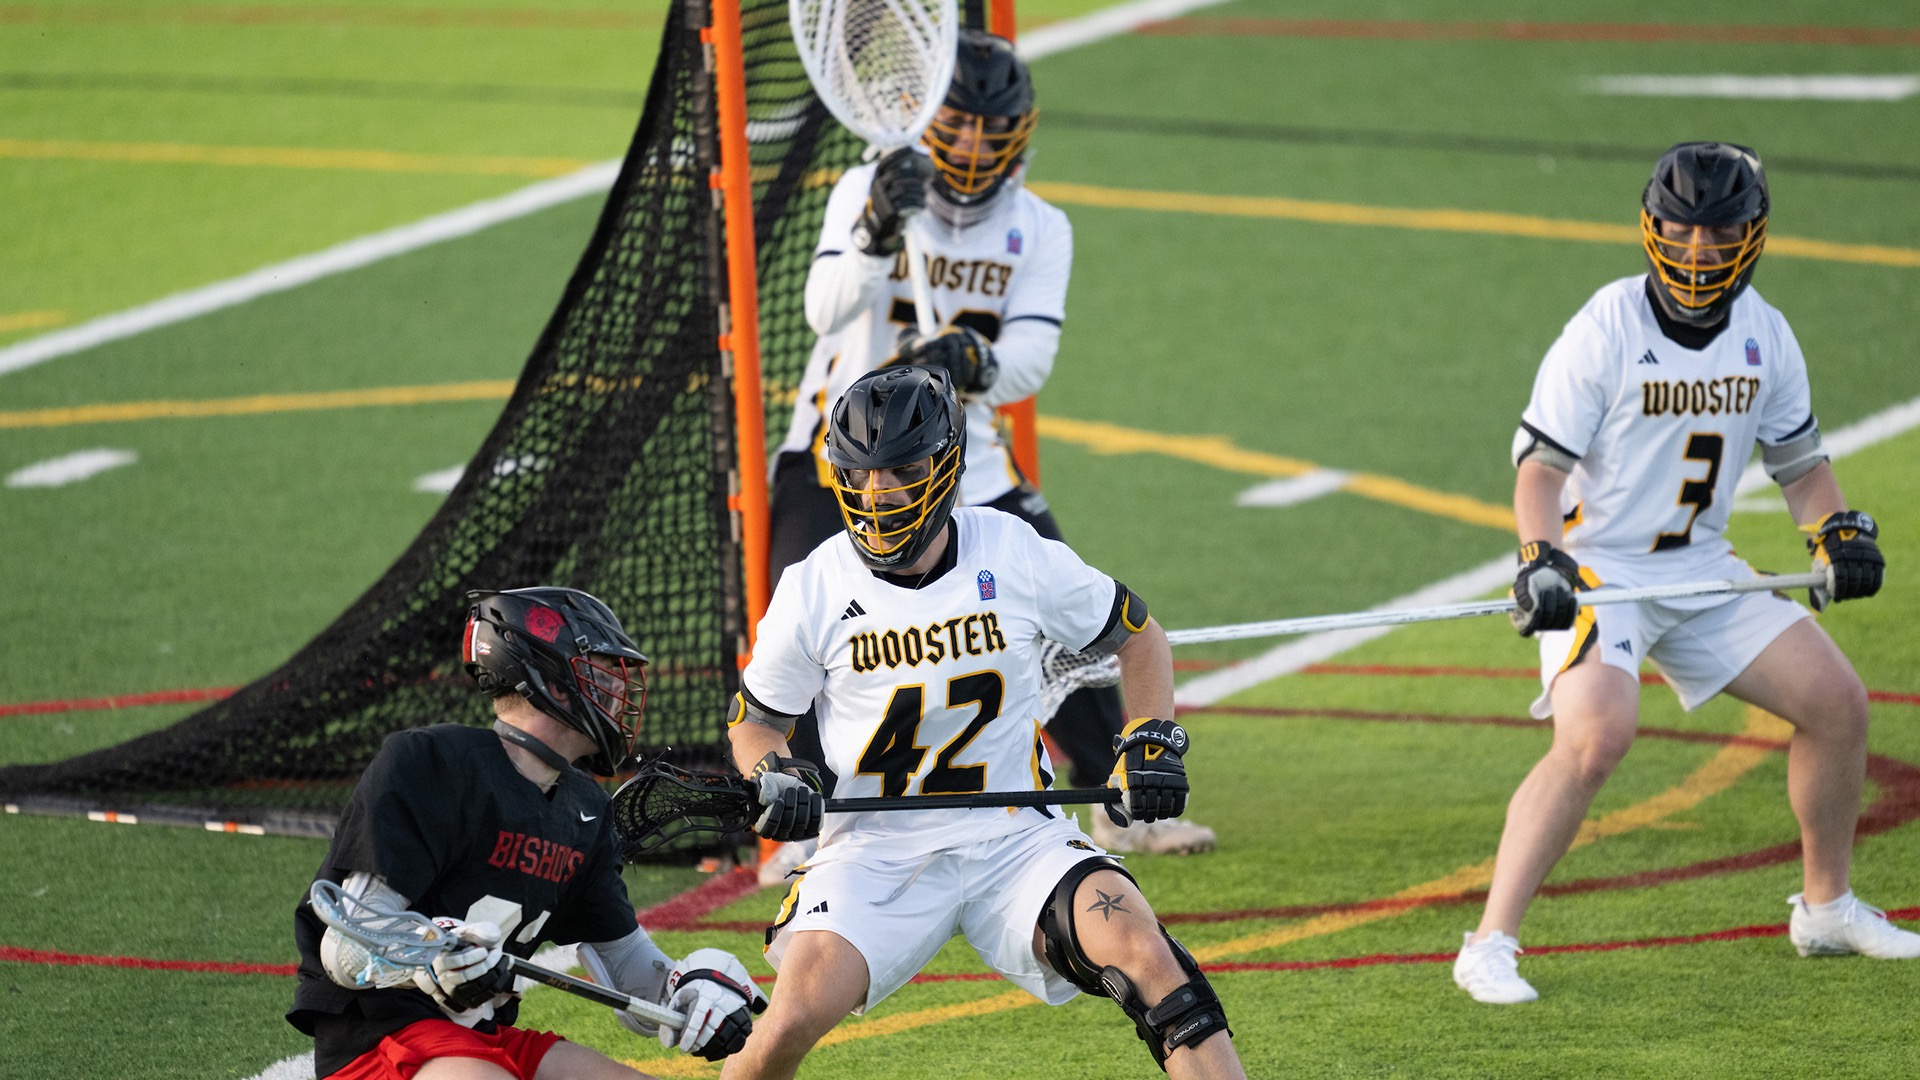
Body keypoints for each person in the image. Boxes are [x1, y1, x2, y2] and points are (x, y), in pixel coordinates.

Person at [1452, 142, 1919, 1005]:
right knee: (1596, 736)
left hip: (1703, 568)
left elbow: (1801, 466)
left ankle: (1827, 907)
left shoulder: (1764, 333)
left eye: (1718, 229)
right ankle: (1489, 943)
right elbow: (1540, 472)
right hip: (1602, 568)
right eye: (1681, 226)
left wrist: (1834, 532)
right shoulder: (1607, 326)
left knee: (1838, 703)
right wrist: (1540, 558)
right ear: (1652, 224)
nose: (1698, 247)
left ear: (1752, 232)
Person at [764, 27, 1213, 863]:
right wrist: (871, 227)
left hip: (961, 464)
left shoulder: (1039, 227)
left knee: (1064, 619)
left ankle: (1119, 788)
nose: (971, 144)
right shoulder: (871, 183)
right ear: (926, 118)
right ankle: (812, 821)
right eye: (958, 123)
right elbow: (822, 309)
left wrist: (979, 360)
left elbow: (1030, 357)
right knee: (807, 623)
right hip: (840, 457)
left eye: (988, 127)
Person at [721, 367, 1245, 1079]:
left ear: (945, 466)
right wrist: (770, 771)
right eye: (861, 473)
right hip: (875, 850)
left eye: (902, 469)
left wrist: (1150, 740)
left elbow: (1138, 634)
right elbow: (755, 721)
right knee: (786, 1024)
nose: (879, 493)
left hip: (1016, 835)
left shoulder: (1012, 552)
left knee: (1152, 961)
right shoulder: (814, 586)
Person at [288, 587, 766, 1078]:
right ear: (555, 680)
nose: (620, 693)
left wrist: (688, 987)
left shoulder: (585, 809)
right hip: (382, 1041)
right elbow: (346, 952)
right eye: (603, 673)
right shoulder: (431, 763)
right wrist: (430, 956)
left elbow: (628, 968)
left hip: (484, 1035)